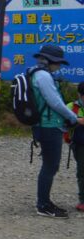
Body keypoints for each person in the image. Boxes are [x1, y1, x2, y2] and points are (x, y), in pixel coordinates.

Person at [29, 45, 84, 218]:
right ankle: (43, 205)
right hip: (49, 125)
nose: (59, 66)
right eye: (58, 62)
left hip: (43, 124)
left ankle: (44, 202)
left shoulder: (34, 72)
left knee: (49, 165)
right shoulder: (43, 76)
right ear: (50, 61)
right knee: (50, 166)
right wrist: (74, 118)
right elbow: (55, 103)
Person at [65, 82, 84, 213]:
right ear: (80, 95)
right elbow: (63, 123)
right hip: (79, 145)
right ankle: (83, 200)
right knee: (82, 172)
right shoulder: (72, 107)